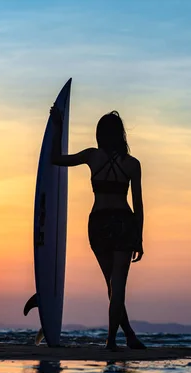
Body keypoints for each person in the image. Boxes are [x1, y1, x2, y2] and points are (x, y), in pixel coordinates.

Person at [50, 106, 145, 351]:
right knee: (118, 286)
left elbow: (56, 158)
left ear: (100, 135)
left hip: (99, 223)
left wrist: (57, 127)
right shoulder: (132, 164)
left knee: (111, 286)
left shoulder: (92, 156)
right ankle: (113, 341)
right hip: (124, 223)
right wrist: (139, 238)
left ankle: (126, 337)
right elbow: (138, 205)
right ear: (121, 134)